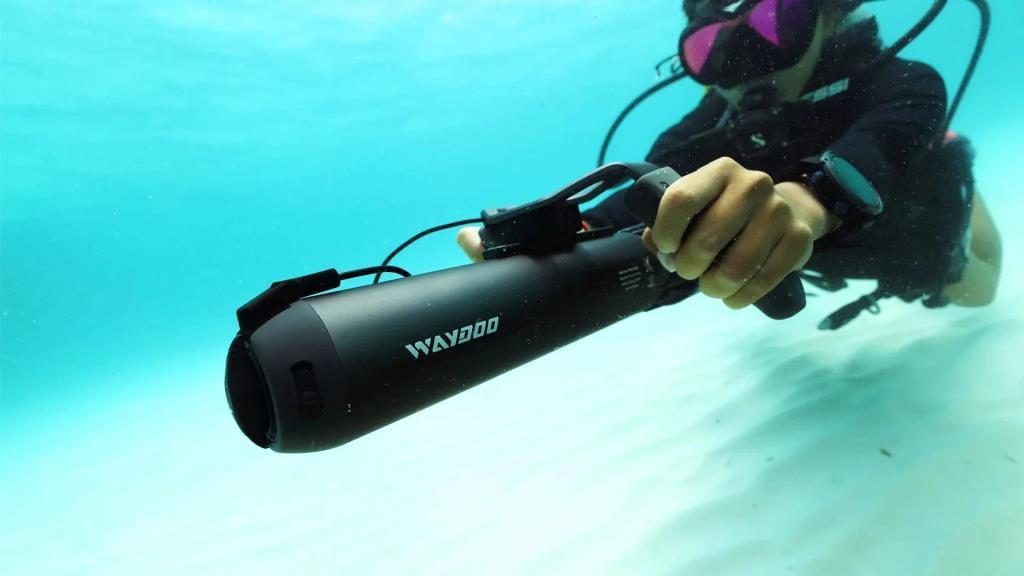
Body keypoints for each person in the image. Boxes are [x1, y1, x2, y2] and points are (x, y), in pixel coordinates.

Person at [457, 0, 1001, 326]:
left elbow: (878, 144)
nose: (748, 67)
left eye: (774, 24)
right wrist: (567, 237)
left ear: (828, 13)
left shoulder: (904, 83)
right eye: (713, 50)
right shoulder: (708, 125)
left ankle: (959, 170)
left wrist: (806, 202)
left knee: (976, 292)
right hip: (822, 255)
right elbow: (641, 196)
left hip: (907, 227)